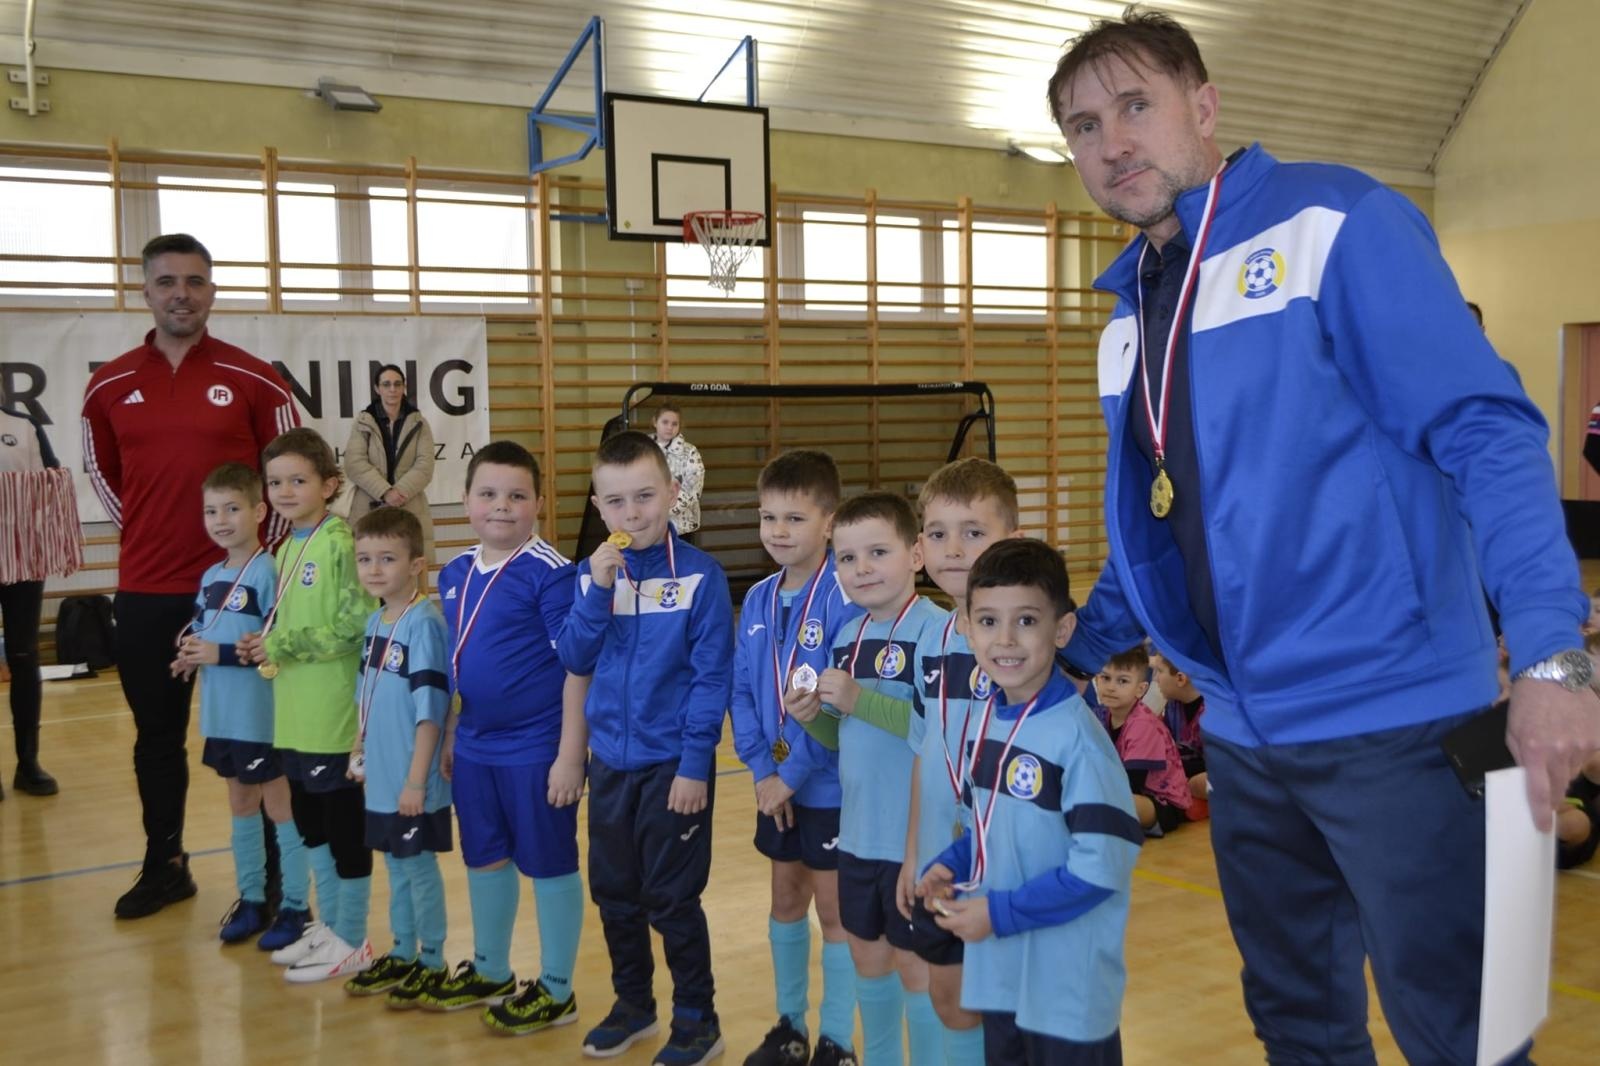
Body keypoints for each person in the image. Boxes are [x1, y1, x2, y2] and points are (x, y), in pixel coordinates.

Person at [1047, 10, 1600, 1061]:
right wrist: (1061, 655)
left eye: (1133, 105)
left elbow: (1486, 431)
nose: (1110, 142)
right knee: (1297, 1023)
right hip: (1246, 737)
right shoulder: (1129, 310)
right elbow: (1159, 532)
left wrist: (1549, 651)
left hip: (1398, 726)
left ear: (1202, 108)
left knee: (1467, 1032)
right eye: (1081, 125)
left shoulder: (1334, 221)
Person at [82, 232, 299, 919]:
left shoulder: (255, 377)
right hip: (148, 588)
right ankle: (165, 863)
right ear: (144, 291)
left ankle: (268, 882)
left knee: (257, 741)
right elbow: (104, 475)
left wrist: (260, 565)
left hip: (243, 593)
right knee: (157, 736)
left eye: (195, 281)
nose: (182, 293)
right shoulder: (109, 383)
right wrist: (151, 533)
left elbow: (293, 476)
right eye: (168, 281)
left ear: (212, 290)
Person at [916, 538, 1140, 1065]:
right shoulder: (989, 718)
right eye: (989, 621)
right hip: (1004, 978)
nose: (1006, 640)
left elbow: (1100, 869)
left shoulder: (1078, 739)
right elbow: (990, 830)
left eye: (1026, 621)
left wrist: (999, 913)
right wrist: (948, 865)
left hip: (1066, 991)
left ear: (1062, 630)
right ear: (967, 627)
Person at [558, 429, 734, 1066]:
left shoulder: (702, 577)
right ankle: (634, 1004)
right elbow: (574, 658)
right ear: (599, 509)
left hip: (673, 768)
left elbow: (712, 678)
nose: (632, 513)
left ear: (673, 493)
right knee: (614, 892)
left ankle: (698, 1019)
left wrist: (694, 765)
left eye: (644, 497)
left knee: (671, 898)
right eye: (616, 502)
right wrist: (599, 590)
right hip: (611, 765)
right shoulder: (591, 574)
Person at [426, 441, 588, 1034]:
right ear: (466, 501)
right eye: (488, 494)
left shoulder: (550, 572)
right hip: (473, 744)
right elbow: (455, 661)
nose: (502, 506)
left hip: (536, 745)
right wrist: (450, 733)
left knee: (547, 864)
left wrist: (571, 753)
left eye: (517, 496)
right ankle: (491, 968)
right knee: (485, 856)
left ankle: (557, 988)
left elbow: (578, 665)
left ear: (538, 504)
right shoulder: (454, 571)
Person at [788, 491, 946, 1066]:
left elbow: (936, 734)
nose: (862, 569)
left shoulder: (940, 632)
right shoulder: (847, 636)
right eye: (848, 558)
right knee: (868, 962)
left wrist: (858, 699)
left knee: (916, 969)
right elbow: (845, 738)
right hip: (857, 836)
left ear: (916, 554)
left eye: (878, 552)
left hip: (917, 842)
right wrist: (817, 721)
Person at [729, 450, 862, 1066]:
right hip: (775, 783)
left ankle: (836, 1038)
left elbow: (836, 703)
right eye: (767, 517)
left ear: (829, 522)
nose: (778, 531)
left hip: (828, 784)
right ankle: (790, 1026)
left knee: (835, 913)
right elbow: (741, 691)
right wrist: (762, 771)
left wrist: (792, 774)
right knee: (786, 899)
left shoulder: (844, 594)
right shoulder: (756, 598)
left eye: (794, 518)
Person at [238, 427, 377, 983]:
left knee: (342, 826)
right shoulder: (288, 545)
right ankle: (328, 927)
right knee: (310, 824)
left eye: (299, 480)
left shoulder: (340, 542)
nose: (285, 490)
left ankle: (353, 937)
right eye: (275, 482)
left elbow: (355, 625)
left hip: (333, 715)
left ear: (330, 484)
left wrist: (281, 644)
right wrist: (265, 645)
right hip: (292, 710)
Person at [898, 458, 1022, 1066]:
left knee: (1011, 1012)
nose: (954, 549)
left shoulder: (1026, 640)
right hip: (943, 865)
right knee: (950, 999)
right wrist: (912, 855)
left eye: (973, 532)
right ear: (920, 546)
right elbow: (928, 750)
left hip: (1011, 868)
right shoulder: (933, 637)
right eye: (939, 533)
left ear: (1013, 541)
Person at [170, 463, 308, 948]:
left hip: (261, 716)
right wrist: (191, 655)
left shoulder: (270, 571)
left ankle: (295, 906)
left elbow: (272, 647)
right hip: (221, 715)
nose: (221, 519)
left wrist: (219, 654)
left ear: (258, 511)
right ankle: (252, 898)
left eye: (232, 508)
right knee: (240, 803)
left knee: (280, 807)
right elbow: (205, 631)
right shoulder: (210, 574)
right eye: (211, 510)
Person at [340, 506, 453, 1002]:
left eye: (387, 558)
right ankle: (403, 950)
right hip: (382, 773)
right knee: (395, 865)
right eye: (365, 559)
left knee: (417, 868)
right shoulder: (374, 622)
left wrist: (415, 781)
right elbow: (367, 695)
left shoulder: (423, 624)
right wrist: (360, 748)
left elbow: (431, 712)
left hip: (413, 778)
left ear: (416, 565)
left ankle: (432, 959)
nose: (375, 569)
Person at [0, 398, 78, 798]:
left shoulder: (24, 425)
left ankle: (27, 763)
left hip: (23, 558)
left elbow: (53, 478)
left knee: (24, 655)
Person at [343, 364, 437, 571]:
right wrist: (385, 492)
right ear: (377, 389)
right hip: (369, 505)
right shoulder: (362, 423)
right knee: (369, 571)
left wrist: (399, 492)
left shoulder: (420, 423)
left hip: (409, 504)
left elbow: (425, 465)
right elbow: (354, 463)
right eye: (386, 384)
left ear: (404, 387)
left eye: (397, 384)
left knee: (408, 569)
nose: (392, 389)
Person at [1089, 645, 1190, 835]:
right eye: (1105, 678)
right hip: (1127, 793)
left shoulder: (1143, 725)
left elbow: (1131, 783)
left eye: (1123, 681)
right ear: (1097, 679)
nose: (1111, 687)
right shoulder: (1100, 716)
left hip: (1163, 805)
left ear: (1140, 689)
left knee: (1111, 798)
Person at [1149, 648, 1208, 817]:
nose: (1156, 679)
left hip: (1210, 771)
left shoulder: (1212, 711)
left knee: (1202, 783)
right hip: (1182, 770)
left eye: (1159, 672)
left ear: (1181, 678)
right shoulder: (1172, 705)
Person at [653, 403, 705, 537]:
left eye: (674, 424)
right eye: (665, 422)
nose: (669, 427)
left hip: (682, 528)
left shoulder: (690, 452)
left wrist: (664, 510)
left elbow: (693, 489)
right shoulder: (643, 450)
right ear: (655, 422)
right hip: (650, 527)